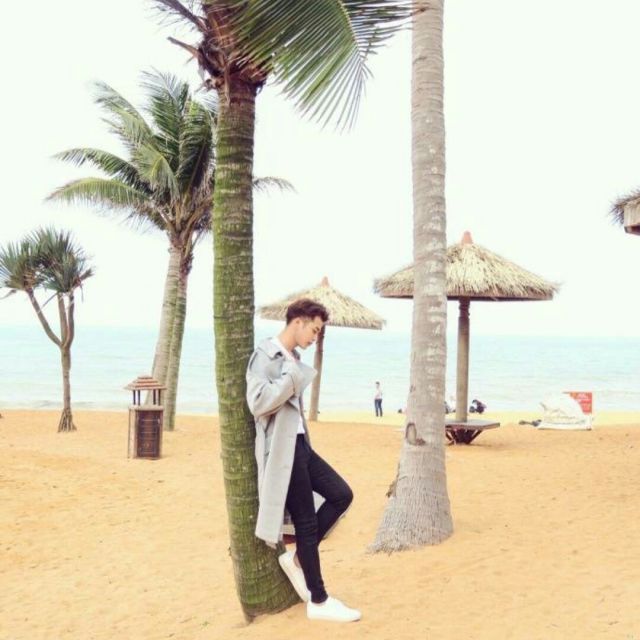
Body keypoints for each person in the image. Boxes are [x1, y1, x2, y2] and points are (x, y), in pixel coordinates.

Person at [246, 298, 360, 623]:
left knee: (341, 494)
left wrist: (293, 374)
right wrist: (291, 379)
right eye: (314, 330)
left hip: (300, 445)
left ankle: (298, 557)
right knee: (306, 523)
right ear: (298, 321)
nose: (315, 337)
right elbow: (257, 403)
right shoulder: (265, 355)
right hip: (283, 450)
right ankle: (319, 601)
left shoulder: (292, 358)